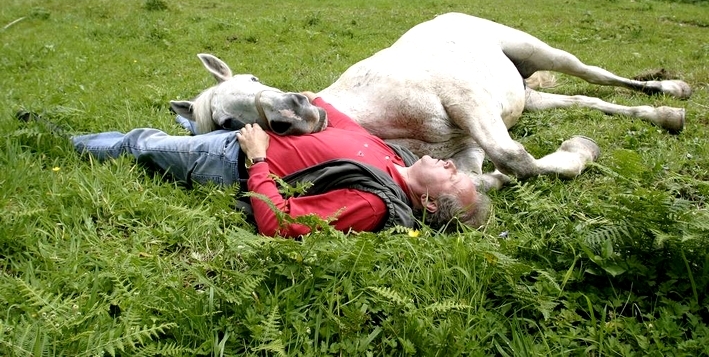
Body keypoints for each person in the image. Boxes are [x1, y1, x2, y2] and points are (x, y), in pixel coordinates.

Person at [27, 93, 490, 237]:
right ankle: (196, 123)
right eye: (456, 167)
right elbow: (340, 125)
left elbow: (281, 224)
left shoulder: (374, 205)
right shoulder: (396, 159)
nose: (451, 165)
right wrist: (311, 103)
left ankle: (54, 137)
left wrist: (256, 158)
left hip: (230, 157)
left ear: (429, 204)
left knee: (142, 143)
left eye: (452, 176)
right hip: (253, 135)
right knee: (201, 116)